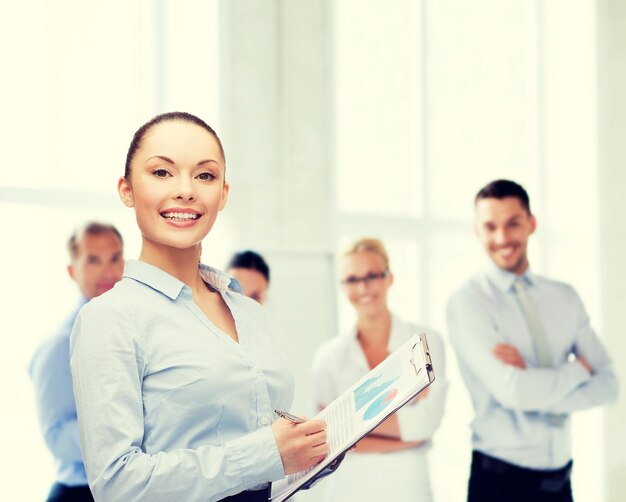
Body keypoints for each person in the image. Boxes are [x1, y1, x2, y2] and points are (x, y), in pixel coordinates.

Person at [69, 112, 328, 502]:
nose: (186, 191)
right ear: (126, 190)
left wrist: (308, 456)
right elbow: (117, 484)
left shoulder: (247, 310)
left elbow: (262, 462)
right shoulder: (109, 319)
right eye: (161, 173)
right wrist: (265, 455)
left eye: (204, 176)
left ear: (223, 194)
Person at [446, 179, 619, 502]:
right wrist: (577, 372)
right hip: (500, 482)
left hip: (561, 480)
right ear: (477, 232)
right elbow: (515, 393)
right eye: (490, 226)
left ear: (531, 223)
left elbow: (610, 385)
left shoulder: (565, 297)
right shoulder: (468, 303)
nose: (502, 238)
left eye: (513, 223)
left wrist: (534, 387)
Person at [312, 237, 448, 502]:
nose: (363, 287)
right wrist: (405, 433)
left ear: (389, 278)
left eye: (372, 275)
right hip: (349, 490)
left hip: (409, 489)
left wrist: (351, 425)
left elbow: (425, 424)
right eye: (352, 279)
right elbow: (328, 437)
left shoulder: (425, 342)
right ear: (342, 286)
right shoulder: (328, 357)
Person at [29, 222, 124, 502]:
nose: (108, 271)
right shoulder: (61, 344)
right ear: (73, 271)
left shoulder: (128, 332)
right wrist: (131, 434)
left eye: (115, 257)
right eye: (93, 260)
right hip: (80, 493)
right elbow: (58, 437)